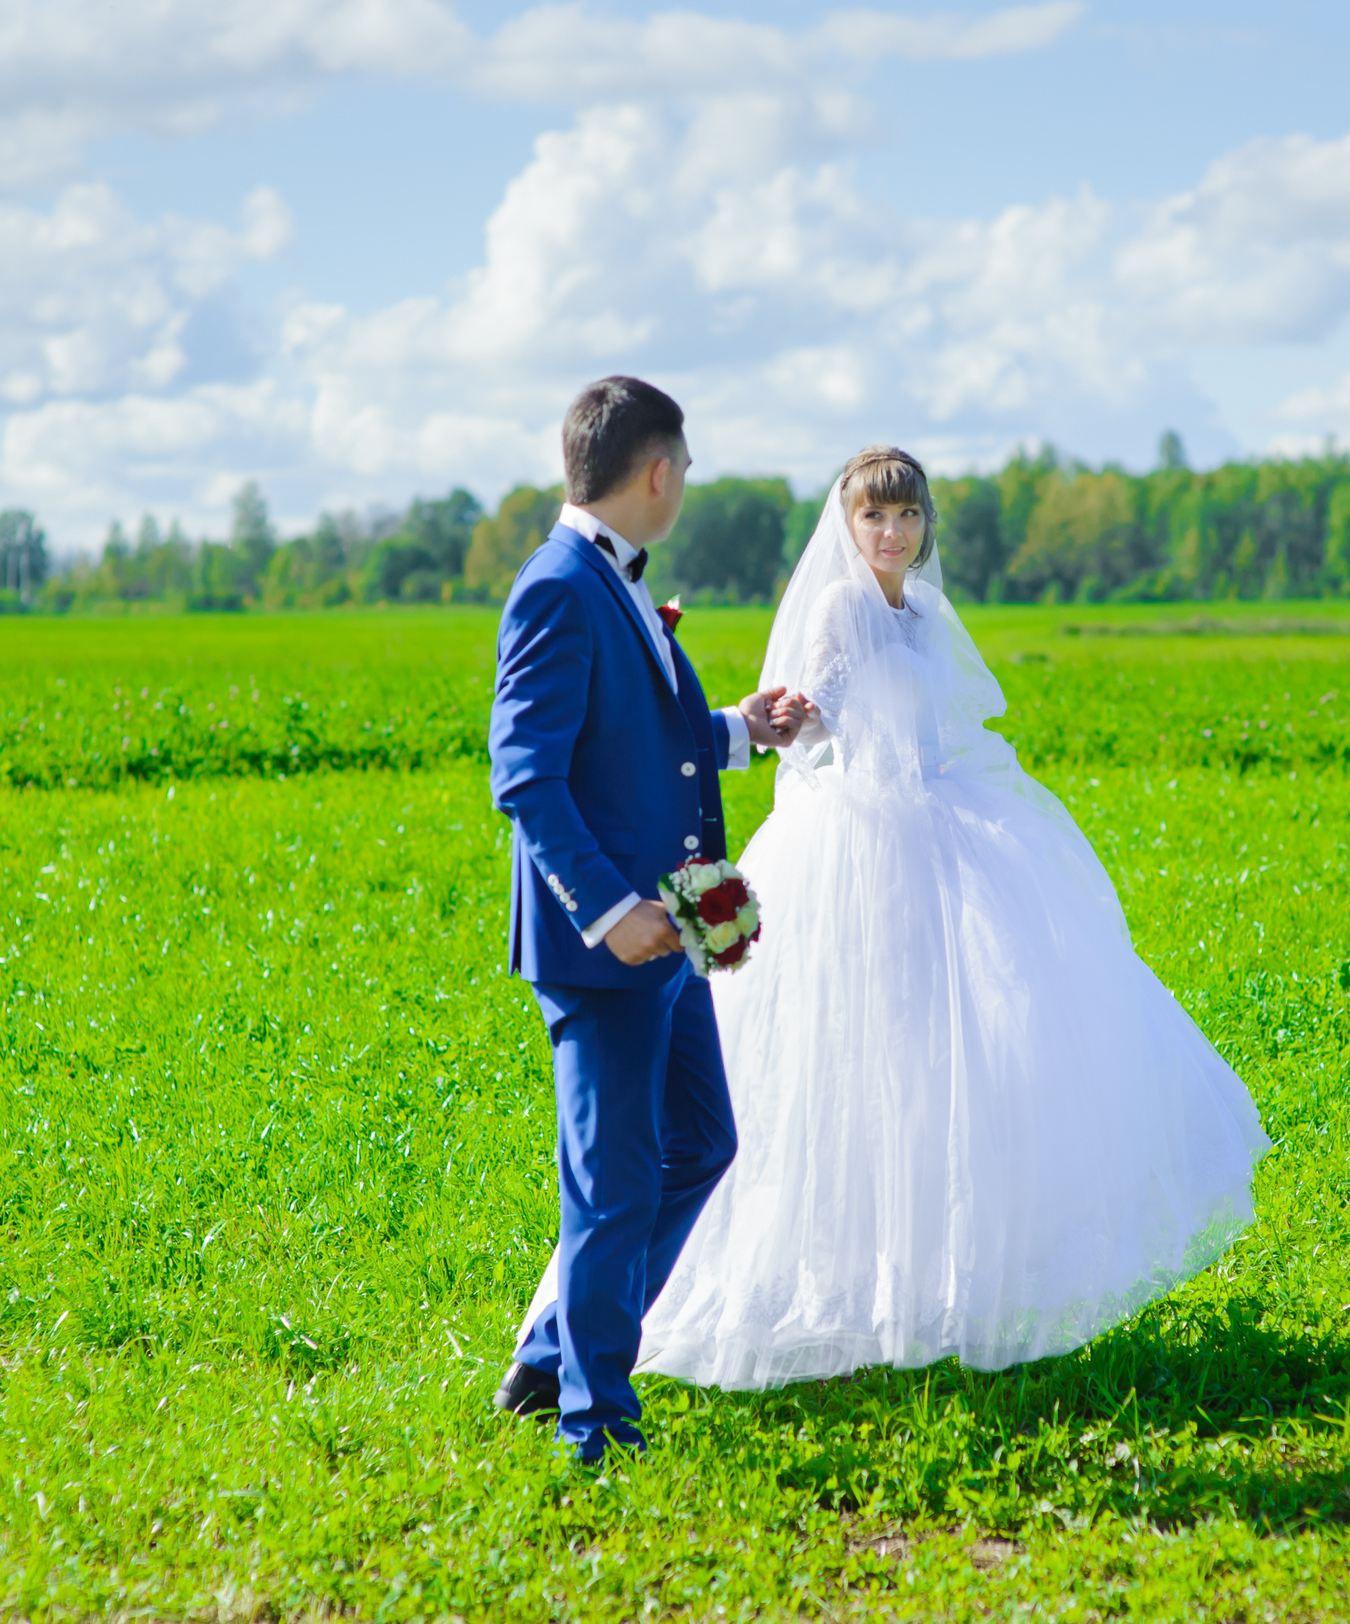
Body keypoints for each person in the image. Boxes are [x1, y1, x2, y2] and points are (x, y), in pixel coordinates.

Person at [628, 445, 1271, 1388]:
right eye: (874, 517)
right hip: (864, 842)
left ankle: (947, 1278)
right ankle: (827, 1286)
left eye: (908, 516)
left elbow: (947, 723)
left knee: (960, 1053)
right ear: (848, 526)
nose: (892, 533)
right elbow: (821, 719)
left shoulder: (925, 613)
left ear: (927, 524)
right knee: (859, 1053)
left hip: (944, 825)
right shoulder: (841, 607)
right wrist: (788, 717)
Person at [485, 376, 804, 1463]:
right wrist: (609, 911)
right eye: (687, 469)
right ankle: (594, 1424)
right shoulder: (557, 587)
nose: (686, 486)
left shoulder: (609, 580)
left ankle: (552, 1353)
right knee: (612, 1184)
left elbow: (636, 742)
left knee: (700, 1144)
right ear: (658, 471)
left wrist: (742, 729)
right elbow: (526, 776)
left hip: (666, 940)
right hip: (606, 946)